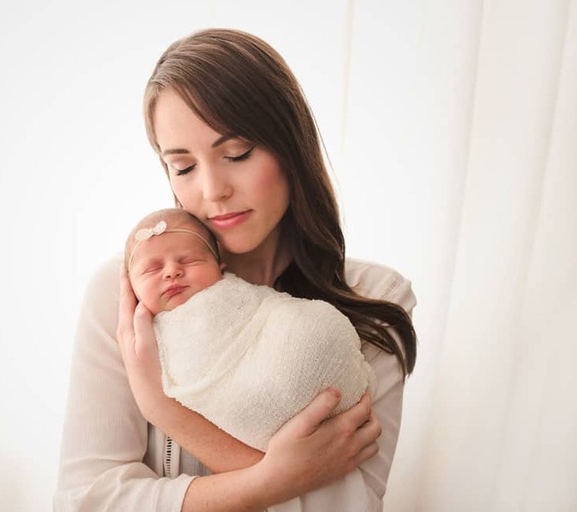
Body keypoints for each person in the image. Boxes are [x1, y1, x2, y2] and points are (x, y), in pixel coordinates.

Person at [55, 28, 417, 511]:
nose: (212, 189)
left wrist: (163, 408)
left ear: (291, 146)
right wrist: (277, 478)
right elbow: (87, 501)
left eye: (236, 154)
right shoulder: (131, 293)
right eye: (183, 167)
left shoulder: (374, 298)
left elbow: (349, 505)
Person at [124, 207, 376, 452]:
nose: (172, 272)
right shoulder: (138, 334)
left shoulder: (232, 293)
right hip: (249, 396)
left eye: (189, 260)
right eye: (152, 269)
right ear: (130, 287)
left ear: (220, 269)